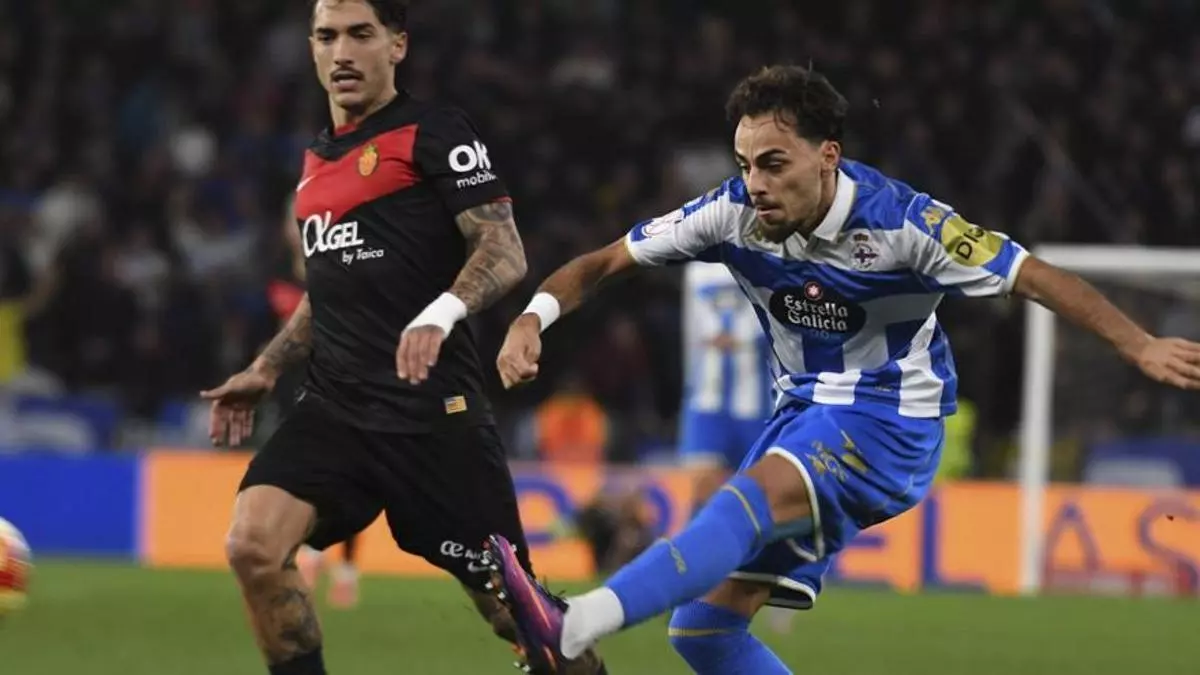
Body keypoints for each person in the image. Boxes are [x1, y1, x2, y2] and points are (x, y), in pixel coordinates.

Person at [484, 64, 1200, 674]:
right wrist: (532, 317)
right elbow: (605, 261)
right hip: (802, 412)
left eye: (773, 164)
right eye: (743, 164)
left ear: (827, 156)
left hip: (890, 419)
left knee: (750, 496)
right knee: (703, 631)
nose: (754, 184)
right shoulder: (731, 213)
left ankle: (575, 623)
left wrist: (1137, 343)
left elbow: (1032, 275)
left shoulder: (906, 223)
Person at [199, 1, 609, 673]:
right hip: (336, 409)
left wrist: (440, 312)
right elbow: (329, 291)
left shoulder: (434, 132)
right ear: (311, 49)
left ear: (397, 46)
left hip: (433, 417)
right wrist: (267, 367)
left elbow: (503, 249)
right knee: (253, 546)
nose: (342, 52)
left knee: (519, 614)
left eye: (360, 34)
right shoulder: (316, 163)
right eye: (327, 36)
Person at [678, 260, 820, 632]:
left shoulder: (768, 260)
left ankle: (781, 578)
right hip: (707, 401)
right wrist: (689, 386)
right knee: (703, 491)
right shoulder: (697, 271)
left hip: (756, 401)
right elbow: (690, 334)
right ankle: (693, 584)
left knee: (769, 498)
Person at [266, 195, 362, 609]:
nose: (297, 226)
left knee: (350, 475)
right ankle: (310, 551)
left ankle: (344, 567)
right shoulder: (277, 274)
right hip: (294, 389)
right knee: (305, 477)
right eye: (292, 219)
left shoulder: (339, 266)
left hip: (341, 385)